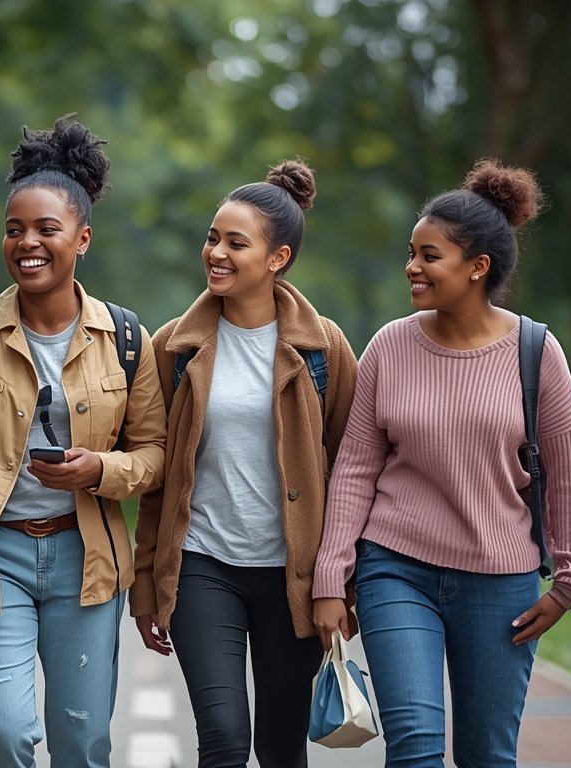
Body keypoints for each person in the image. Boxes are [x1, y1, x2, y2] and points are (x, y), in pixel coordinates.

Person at [312, 159, 571, 767]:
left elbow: (570, 471)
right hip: (395, 570)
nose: (412, 267)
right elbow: (356, 468)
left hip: (501, 581)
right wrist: (330, 577)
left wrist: (569, 581)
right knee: (414, 746)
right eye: (411, 252)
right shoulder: (390, 344)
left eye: (429, 255)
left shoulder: (536, 352)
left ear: (477, 267)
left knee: (487, 754)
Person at [0, 114, 166, 768]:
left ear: (82, 238)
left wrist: (99, 469)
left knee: (81, 741)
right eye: (14, 229)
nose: (27, 242)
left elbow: (155, 455)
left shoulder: (128, 339)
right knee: (2, 731)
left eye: (46, 230)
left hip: (88, 563)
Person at [130, 159, 358, 768]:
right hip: (205, 565)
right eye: (212, 238)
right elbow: (157, 479)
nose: (217, 253)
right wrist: (147, 580)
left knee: (281, 745)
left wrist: (340, 581)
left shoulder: (325, 349)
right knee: (226, 737)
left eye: (236, 242)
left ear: (278, 258)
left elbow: (353, 472)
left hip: (295, 575)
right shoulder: (173, 347)